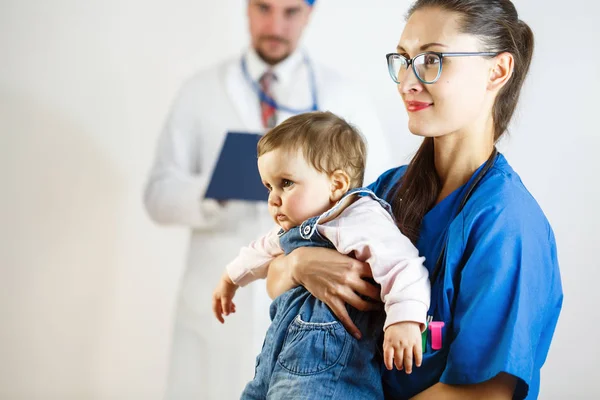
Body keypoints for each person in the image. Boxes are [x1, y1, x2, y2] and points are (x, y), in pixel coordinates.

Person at [265, 1, 563, 399]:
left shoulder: (508, 224)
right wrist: (300, 263)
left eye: (433, 59)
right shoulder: (388, 191)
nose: (407, 81)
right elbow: (275, 276)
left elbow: (485, 394)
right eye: (404, 60)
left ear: (497, 71)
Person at [143, 0, 393, 398]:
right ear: (247, 8)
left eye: (291, 12)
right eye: (264, 8)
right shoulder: (200, 92)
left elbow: (378, 202)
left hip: (313, 323)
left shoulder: (345, 97)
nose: (275, 24)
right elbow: (157, 195)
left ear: (309, 14)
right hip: (217, 312)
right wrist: (218, 190)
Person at [211, 111, 430, 398]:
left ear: (336, 185)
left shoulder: (360, 217)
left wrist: (404, 320)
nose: (273, 199)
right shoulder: (295, 229)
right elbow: (259, 252)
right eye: (268, 187)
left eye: (286, 183)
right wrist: (230, 280)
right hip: (273, 366)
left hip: (326, 377)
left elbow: (401, 264)